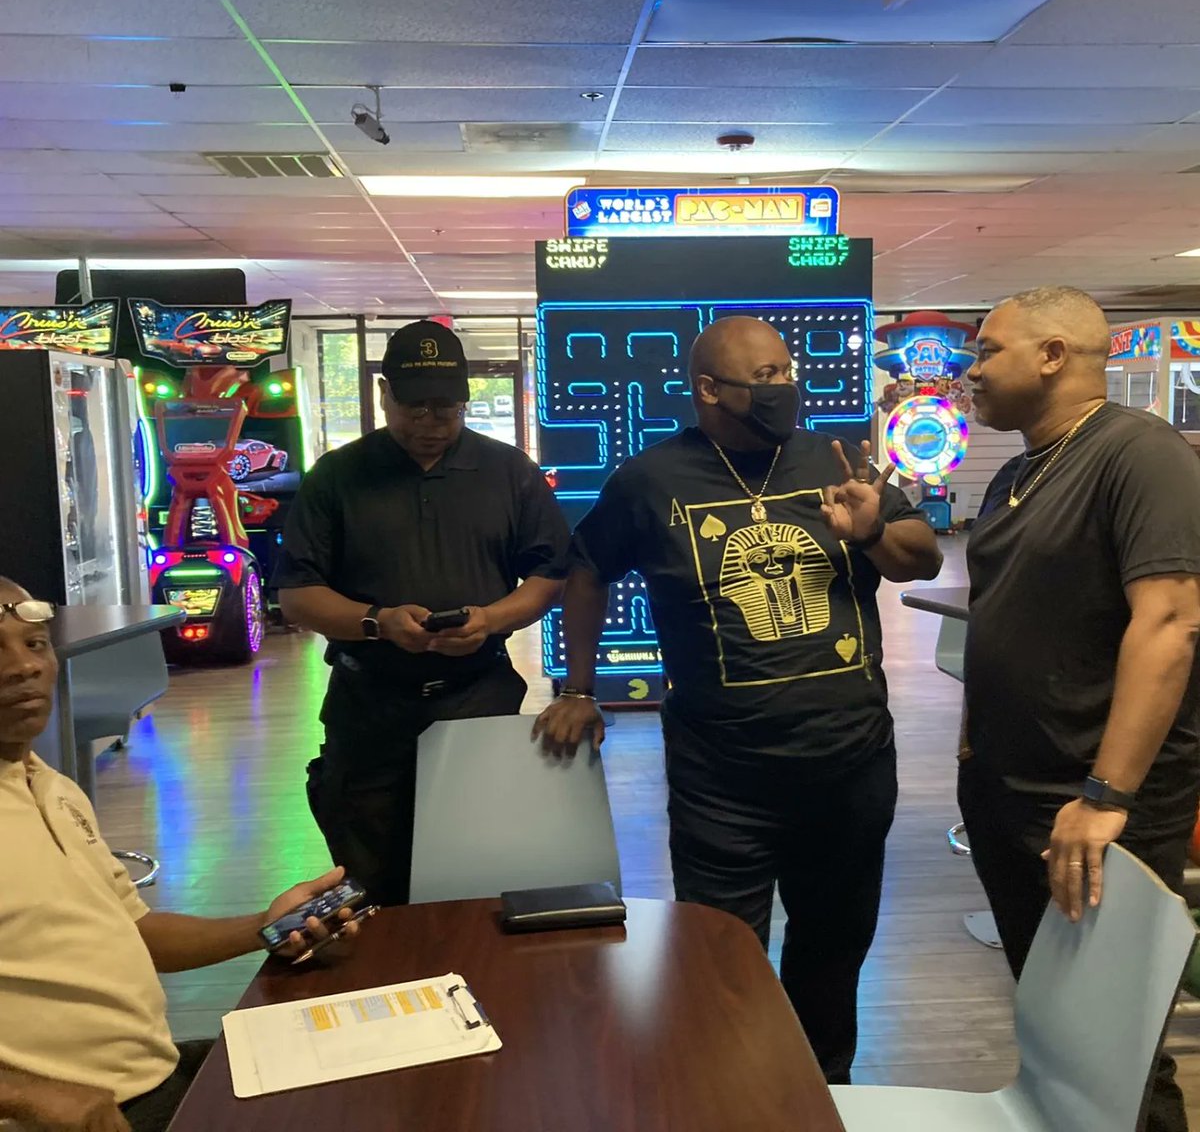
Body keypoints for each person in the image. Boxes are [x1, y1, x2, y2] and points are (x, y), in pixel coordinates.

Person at [535, 316, 943, 1083]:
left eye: (785, 370)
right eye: (761, 376)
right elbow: (585, 569)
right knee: (721, 956)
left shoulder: (836, 458)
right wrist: (580, 688)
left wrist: (870, 529)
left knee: (833, 949)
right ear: (708, 390)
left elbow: (918, 563)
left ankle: (822, 1091)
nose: (781, 387)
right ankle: (731, 1093)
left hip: (848, 766)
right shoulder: (652, 480)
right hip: (722, 779)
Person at [961, 286, 1200, 1132]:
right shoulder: (1023, 472)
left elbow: (1170, 623)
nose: (970, 370)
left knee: (1117, 1049)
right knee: (1060, 1035)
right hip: (1012, 796)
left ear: (1054, 354)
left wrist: (1105, 797)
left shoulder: (1140, 454)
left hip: (1094, 808)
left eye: (988, 350)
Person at [0, 577, 360, 1132]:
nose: (23, 667)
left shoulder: (52, 787)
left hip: (152, 1077)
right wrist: (28, 1097)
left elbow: (136, 930)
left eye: (35, 644)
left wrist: (263, 927)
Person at [276, 320, 570, 906]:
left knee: (481, 876)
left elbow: (548, 577)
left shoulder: (510, 473)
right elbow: (297, 595)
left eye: (446, 410)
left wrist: (491, 619)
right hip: (370, 704)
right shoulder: (339, 476)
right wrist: (376, 622)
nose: (429, 425)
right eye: (414, 408)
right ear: (385, 394)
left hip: (477, 697)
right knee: (372, 882)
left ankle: (473, 990)